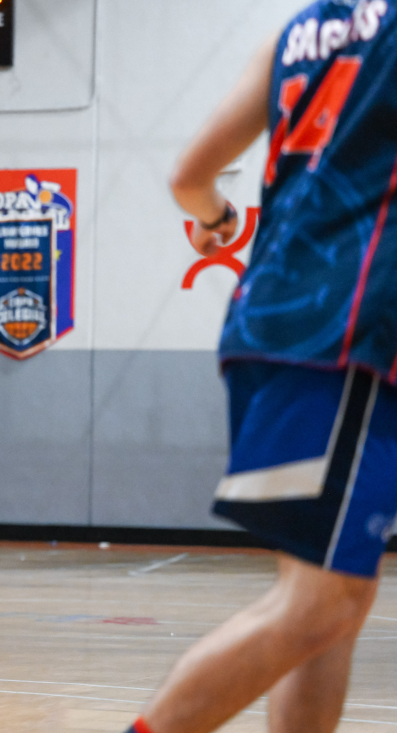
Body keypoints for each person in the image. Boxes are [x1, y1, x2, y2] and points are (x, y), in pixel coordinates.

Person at [123, 6, 397, 733]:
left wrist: (216, 219)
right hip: (346, 326)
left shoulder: (293, 33)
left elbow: (189, 176)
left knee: (335, 601)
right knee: (323, 605)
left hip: (271, 320)